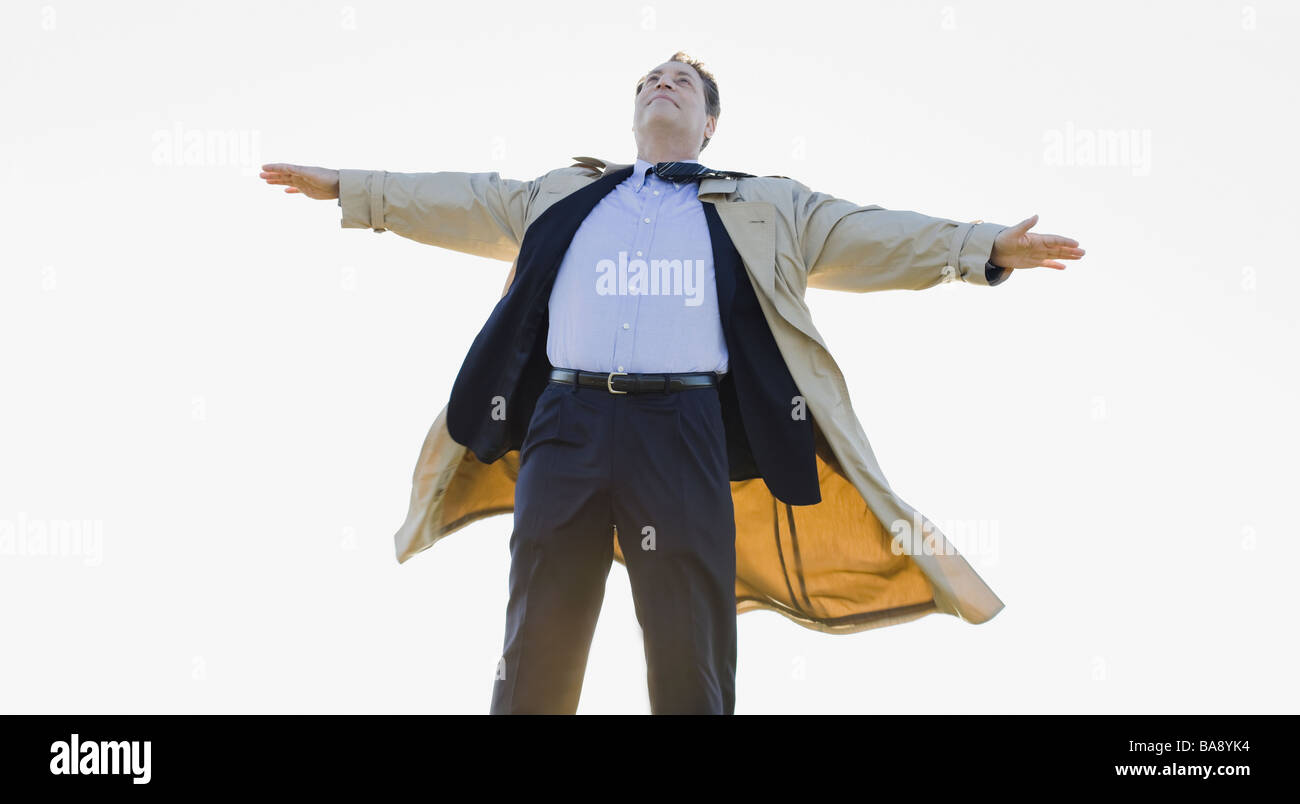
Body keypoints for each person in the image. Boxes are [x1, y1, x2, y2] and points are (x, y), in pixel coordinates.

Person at [258, 51, 1085, 714]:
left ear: (709, 122)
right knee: (538, 636)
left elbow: (872, 234)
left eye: (682, 82)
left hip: (684, 431)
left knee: (689, 650)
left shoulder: (769, 205)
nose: (664, 85)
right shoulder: (565, 193)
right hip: (566, 424)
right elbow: (462, 199)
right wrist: (351, 188)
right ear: (635, 113)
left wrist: (981, 248)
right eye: (652, 80)